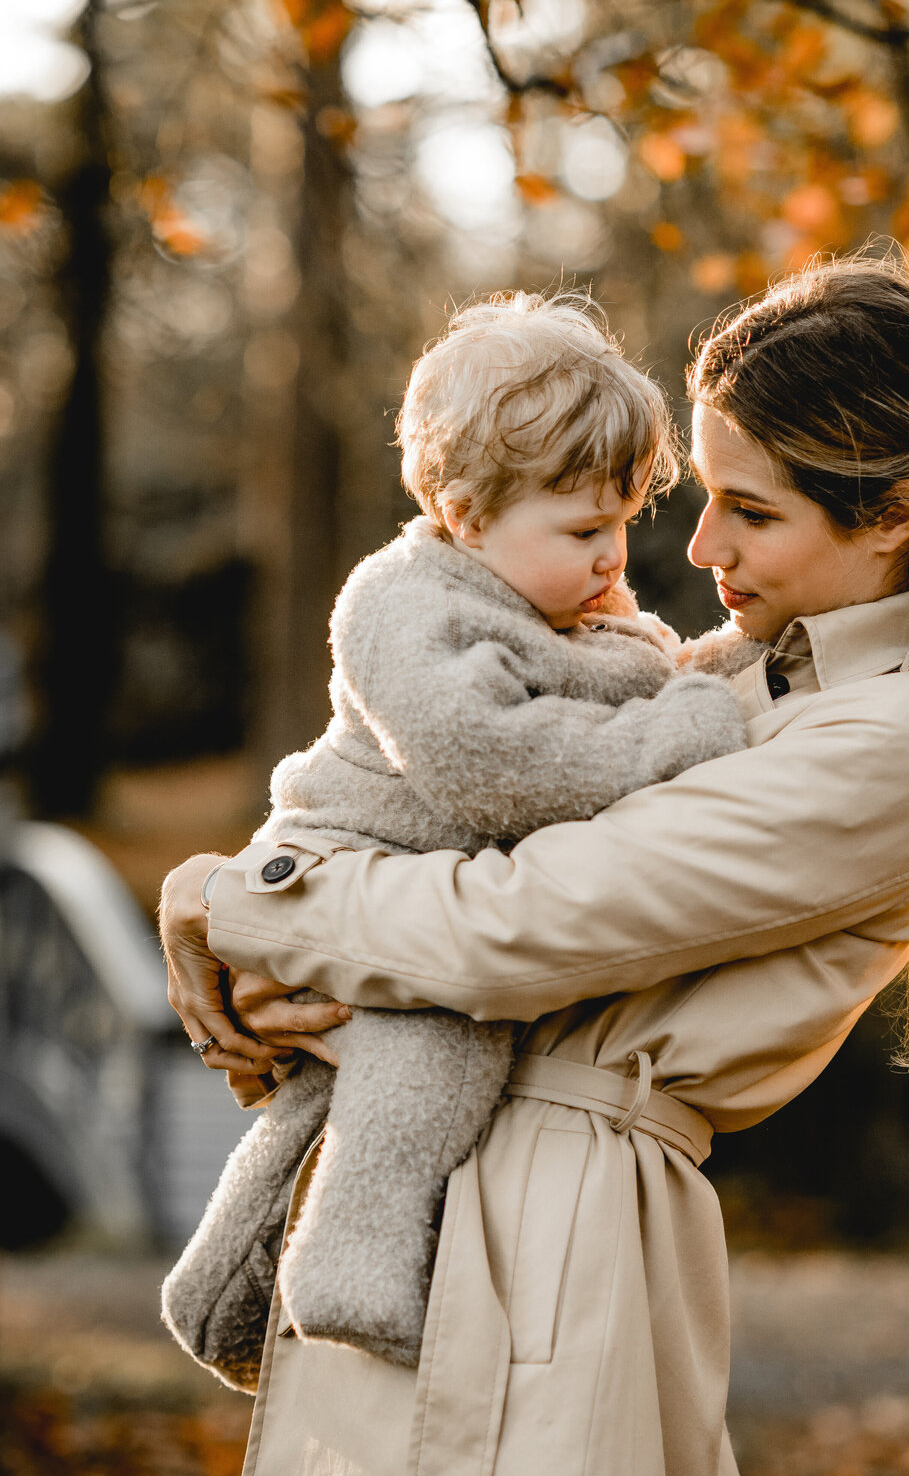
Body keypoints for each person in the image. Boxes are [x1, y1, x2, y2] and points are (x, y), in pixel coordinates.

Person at [160, 256, 909, 1476]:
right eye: (705, 497)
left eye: (750, 510)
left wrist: (234, 897)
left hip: (552, 1222)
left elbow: (514, 927)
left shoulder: (898, 733)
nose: (701, 547)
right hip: (459, 1178)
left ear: (895, 515)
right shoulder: (746, 669)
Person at [160, 292, 746, 1393]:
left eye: (621, 526)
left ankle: (218, 1295)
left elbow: (623, 674)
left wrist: (680, 675)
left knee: (321, 1101)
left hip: (401, 874)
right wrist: (682, 726)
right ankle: (349, 1264)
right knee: (439, 1049)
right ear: (468, 515)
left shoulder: (541, 602)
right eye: (583, 533)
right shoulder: (401, 603)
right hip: (347, 857)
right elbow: (492, 762)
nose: (612, 558)